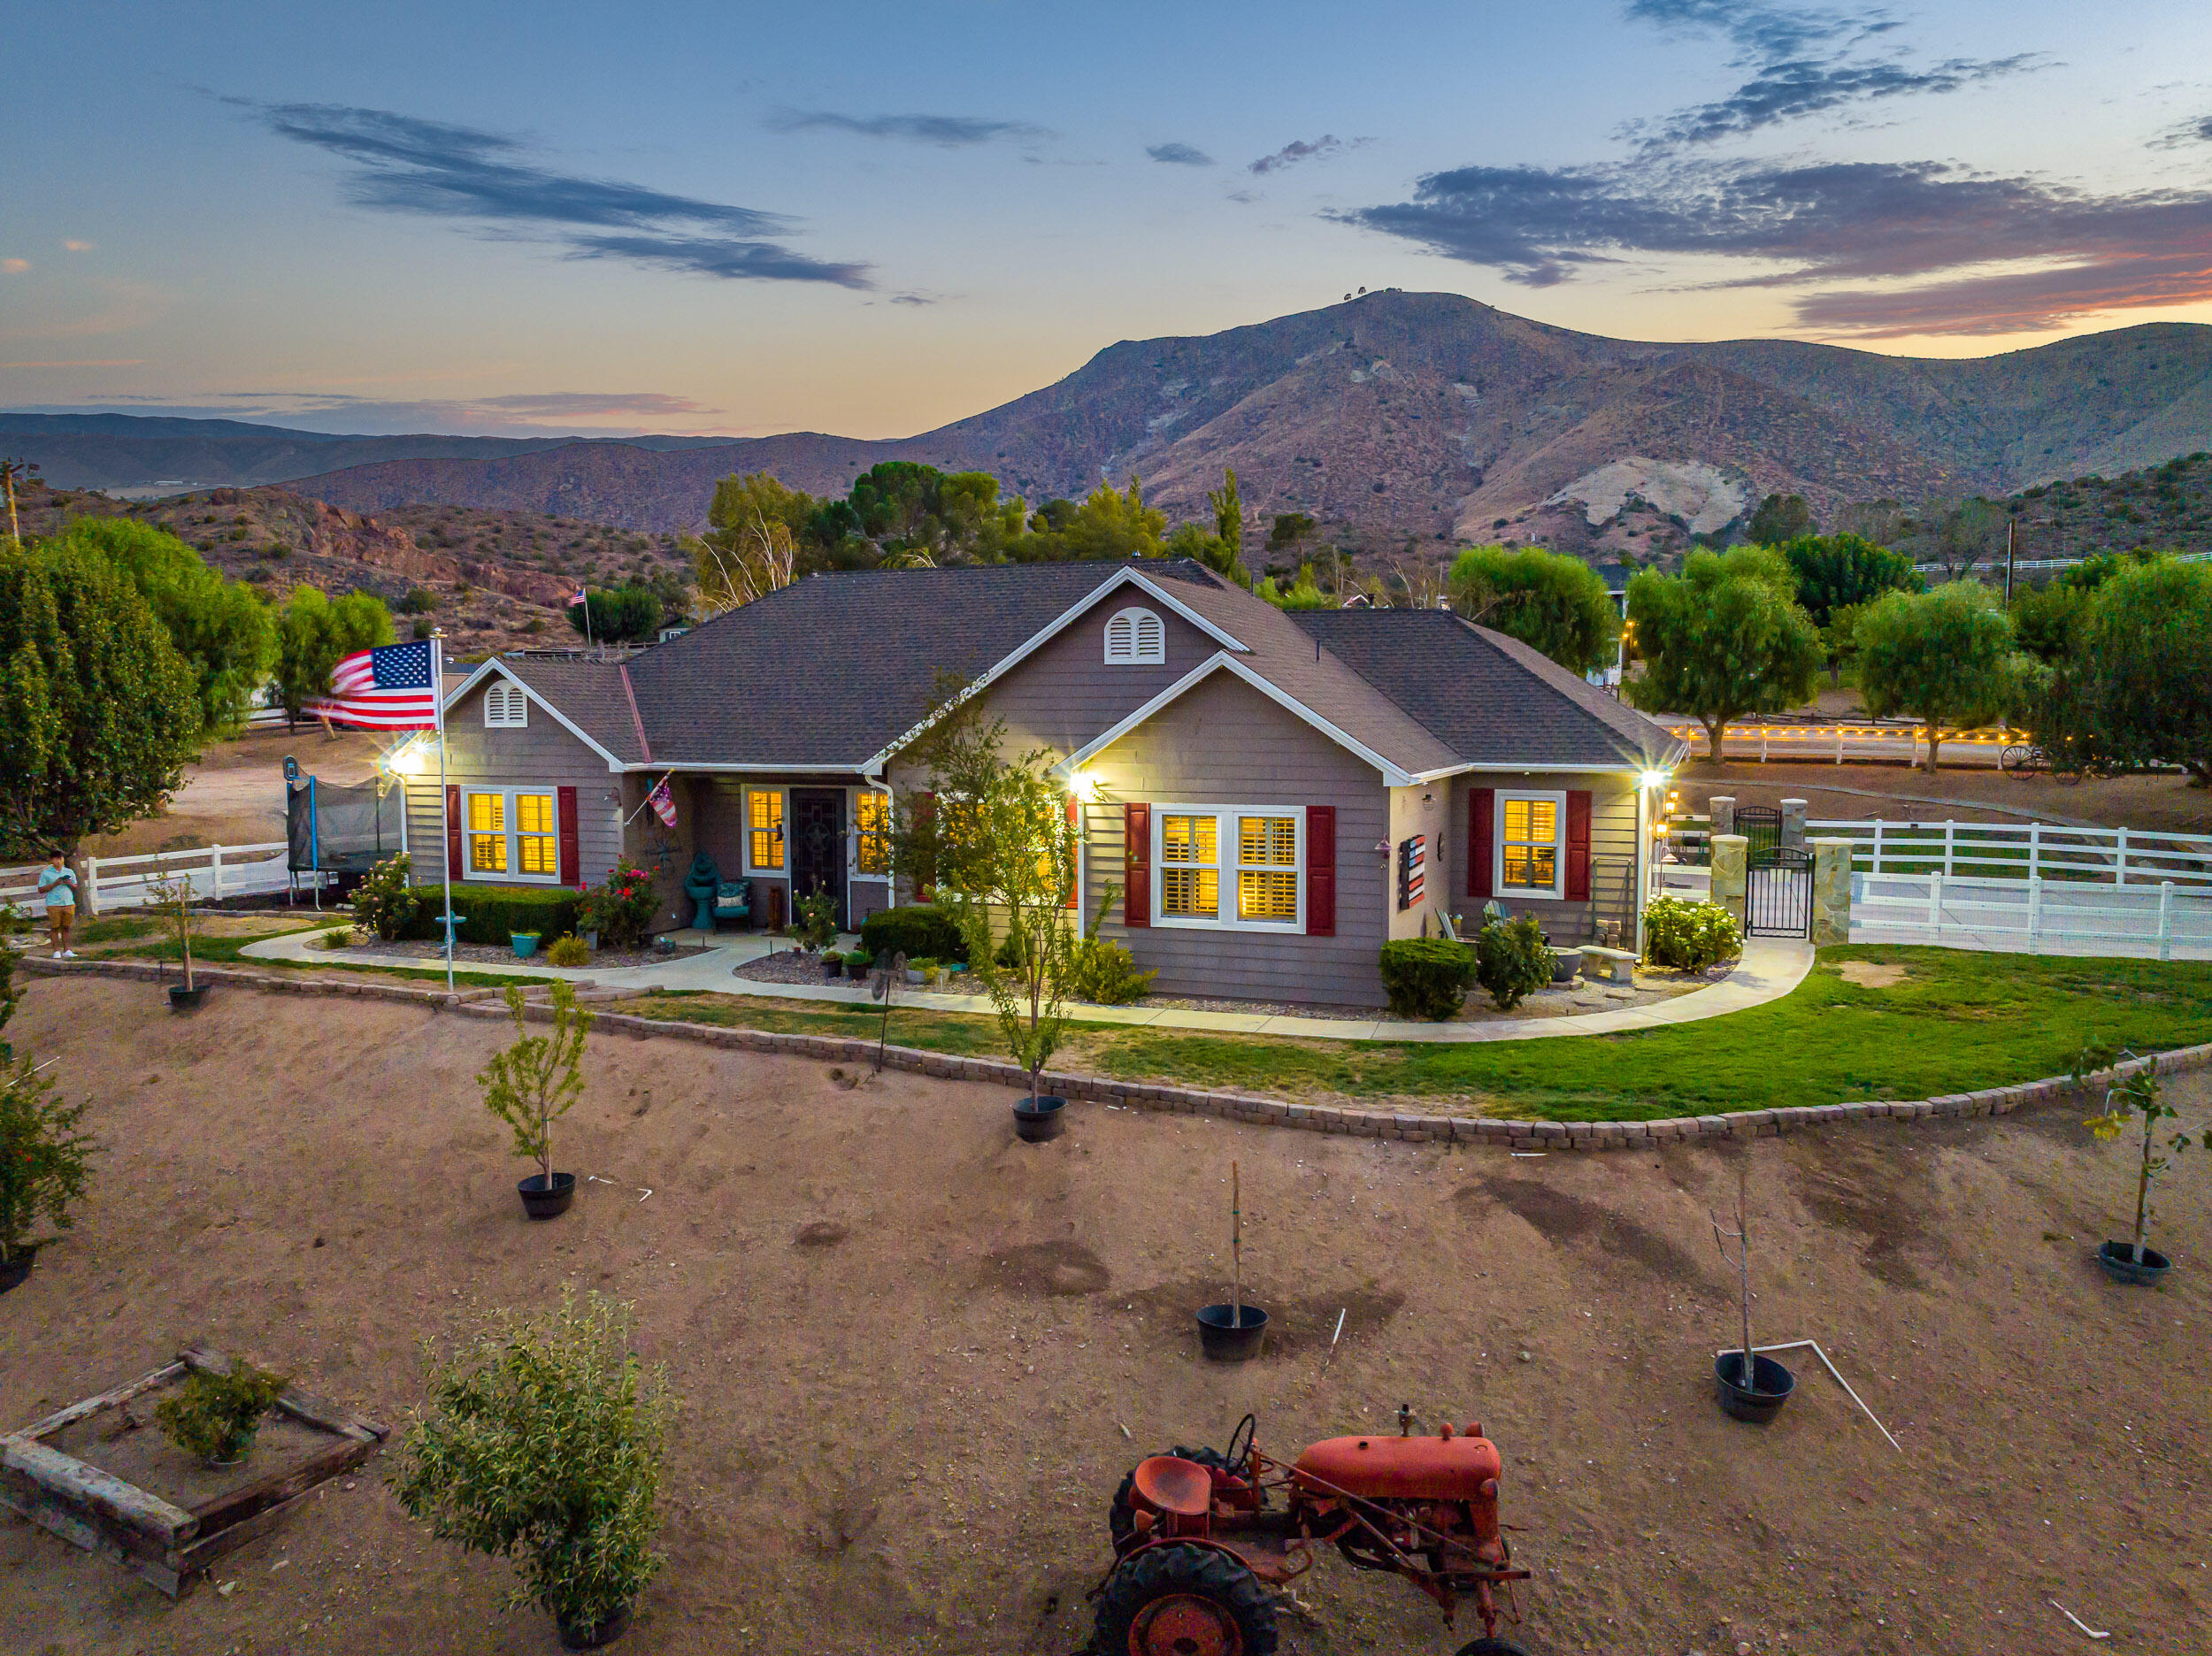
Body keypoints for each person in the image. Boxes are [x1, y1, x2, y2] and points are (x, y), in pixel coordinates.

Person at [37, 852, 79, 959]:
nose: (59, 861)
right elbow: (41, 889)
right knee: (55, 927)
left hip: (68, 903)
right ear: (51, 860)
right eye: (56, 859)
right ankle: (56, 951)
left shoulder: (69, 871)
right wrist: (54, 884)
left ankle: (67, 950)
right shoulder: (46, 873)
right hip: (53, 904)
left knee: (66, 927)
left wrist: (69, 883)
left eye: (60, 859)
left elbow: (75, 886)